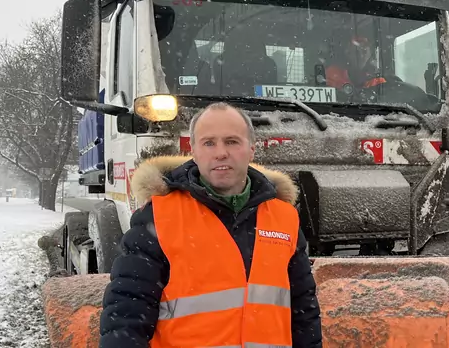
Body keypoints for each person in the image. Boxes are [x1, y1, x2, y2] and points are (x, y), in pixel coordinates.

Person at [99, 102, 323, 348]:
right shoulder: (159, 217)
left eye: (232, 141)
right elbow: (127, 310)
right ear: (193, 150)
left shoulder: (284, 217)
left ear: (251, 150)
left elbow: (304, 311)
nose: (220, 153)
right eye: (209, 143)